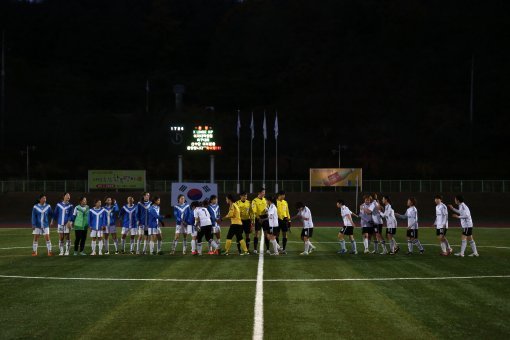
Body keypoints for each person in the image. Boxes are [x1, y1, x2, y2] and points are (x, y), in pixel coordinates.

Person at [251, 188, 268, 254]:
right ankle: (255, 249)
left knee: (266, 233)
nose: (264, 193)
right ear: (259, 193)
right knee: (257, 233)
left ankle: (268, 249)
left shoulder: (265, 200)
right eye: (263, 192)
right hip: (258, 218)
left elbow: (267, 208)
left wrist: (267, 211)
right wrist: (258, 218)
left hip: (265, 217)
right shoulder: (254, 201)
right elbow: (254, 211)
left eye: (264, 192)